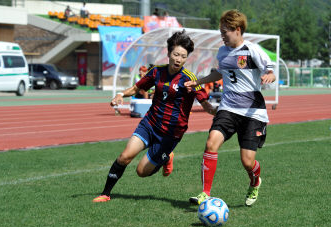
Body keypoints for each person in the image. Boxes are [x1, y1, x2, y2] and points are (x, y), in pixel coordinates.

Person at [93, 30, 217, 202]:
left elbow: (205, 102)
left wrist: (214, 111)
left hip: (170, 133)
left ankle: (166, 157)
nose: (179, 59)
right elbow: (137, 88)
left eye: (183, 56)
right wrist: (121, 94)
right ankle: (105, 194)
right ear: (168, 53)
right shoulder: (156, 72)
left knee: (141, 172)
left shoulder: (189, 78)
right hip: (150, 124)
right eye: (176, 54)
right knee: (125, 156)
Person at [184, 9, 276, 206]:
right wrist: (198, 82)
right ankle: (205, 193)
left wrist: (269, 76)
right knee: (211, 143)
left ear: (238, 30)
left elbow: (271, 69)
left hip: (253, 112)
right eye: (221, 32)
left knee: (247, 161)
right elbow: (219, 74)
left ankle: (255, 181)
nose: (222, 36)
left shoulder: (252, 50)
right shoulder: (222, 51)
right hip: (228, 107)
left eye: (225, 32)